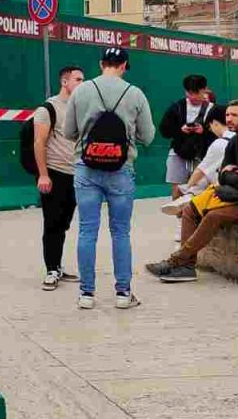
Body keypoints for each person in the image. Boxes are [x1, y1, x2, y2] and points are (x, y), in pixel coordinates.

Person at [147, 99, 238, 282]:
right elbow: (222, 176)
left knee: (214, 215)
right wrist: (232, 176)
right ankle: (187, 268)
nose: (229, 119)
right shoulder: (234, 142)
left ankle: (177, 261)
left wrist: (231, 175)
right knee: (190, 209)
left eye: (234, 115)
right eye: (227, 115)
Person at [64, 48, 155, 310]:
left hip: (86, 168)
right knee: (120, 232)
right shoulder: (135, 93)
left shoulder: (81, 91)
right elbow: (147, 136)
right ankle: (123, 293)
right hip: (121, 170)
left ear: (101, 63)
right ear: (124, 65)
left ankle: (86, 294)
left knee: (87, 230)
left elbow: (70, 131)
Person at [34, 66, 85, 291]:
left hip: (77, 175)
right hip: (54, 174)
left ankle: (58, 265)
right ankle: (51, 270)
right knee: (52, 223)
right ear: (65, 82)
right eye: (78, 79)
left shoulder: (82, 108)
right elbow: (39, 143)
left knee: (64, 224)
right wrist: (43, 175)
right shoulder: (48, 108)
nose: (82, 83)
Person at [161, 105, 234, 218]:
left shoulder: (220, 143)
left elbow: (200, 171)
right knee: (209, 175)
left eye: (209, 127)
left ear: (214, 122)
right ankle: (187, 196)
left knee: (203, 177)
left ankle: (187, 196)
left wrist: (187, 187)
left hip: (226, 188)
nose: (212, 131)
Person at [159, 75, 214, 197]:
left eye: (196, 93)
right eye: (189, 93)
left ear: (204, 89)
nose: (192, 97)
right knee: (177, 192)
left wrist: (203, 131)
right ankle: (181, 215)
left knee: (199, 192)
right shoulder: (177, 107)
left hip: (202, 155)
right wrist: (180, 130)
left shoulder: (213, 109)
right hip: (178, 152)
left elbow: (219, 134)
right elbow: (164, 131)